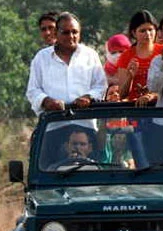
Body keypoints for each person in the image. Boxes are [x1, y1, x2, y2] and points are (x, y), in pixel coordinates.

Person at [26, 12, 106, 164]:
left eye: (74, 32)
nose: (71, 36)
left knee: (90, 178)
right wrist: (47, 101)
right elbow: (33, 90)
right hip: (54, 126)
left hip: (85, 127)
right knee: (49, 176)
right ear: (56, 33)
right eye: (66, 32)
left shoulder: (90, 56)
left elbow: (100, 86)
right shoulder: (41, 58)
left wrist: (88, 98)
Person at [116, 10, 163, 102]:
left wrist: (152, 96)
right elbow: (122, 95)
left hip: (160, 108)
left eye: (150, 29)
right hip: (136, 110)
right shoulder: (126, 56)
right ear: (134, 33)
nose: (148, 34)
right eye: (143, 31)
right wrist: (130, 77)